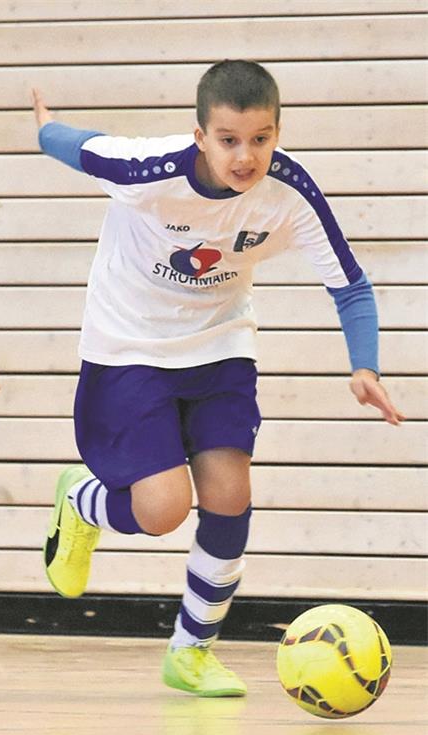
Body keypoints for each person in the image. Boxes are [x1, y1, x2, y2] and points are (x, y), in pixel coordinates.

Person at [35, 60, 404, 697]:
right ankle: (81, 502)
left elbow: (350, 284)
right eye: (229, 139)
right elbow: (75, 145)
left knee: (229, 494)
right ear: (200, 134)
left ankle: (192, 650)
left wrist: (363, 364)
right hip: (130, 345)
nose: (245, 155)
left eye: (261, 139)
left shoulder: (289, 192)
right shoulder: (145, 170)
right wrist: (44, 126)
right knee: (163, 511)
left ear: (277, 133)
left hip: (220, 345)